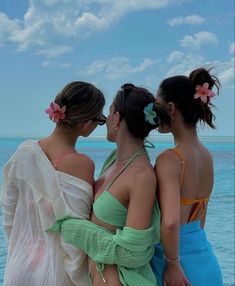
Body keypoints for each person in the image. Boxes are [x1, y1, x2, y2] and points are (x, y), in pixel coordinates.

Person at [49, 83, 170, 286]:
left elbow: (133, 252)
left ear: (117, 118)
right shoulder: (114, 159)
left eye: (110, 112)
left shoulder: (142, 176)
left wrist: (71, 228)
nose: (104, 121)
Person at [1, 81, 106, 286]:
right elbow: (76, 235)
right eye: (99, 119)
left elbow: (8, 213)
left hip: (18, 268)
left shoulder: (23, 153)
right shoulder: (82, 164)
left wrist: (19, 249)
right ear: (85, 122)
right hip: (55, 273)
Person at [151, 68, 223, 286]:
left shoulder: (170, 158)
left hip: (179, 269)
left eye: (157, 106)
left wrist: (172, 264)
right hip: (207, 262)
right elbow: (201, 219)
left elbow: (171, 221)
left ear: (171, 108)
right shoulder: (206, 156)